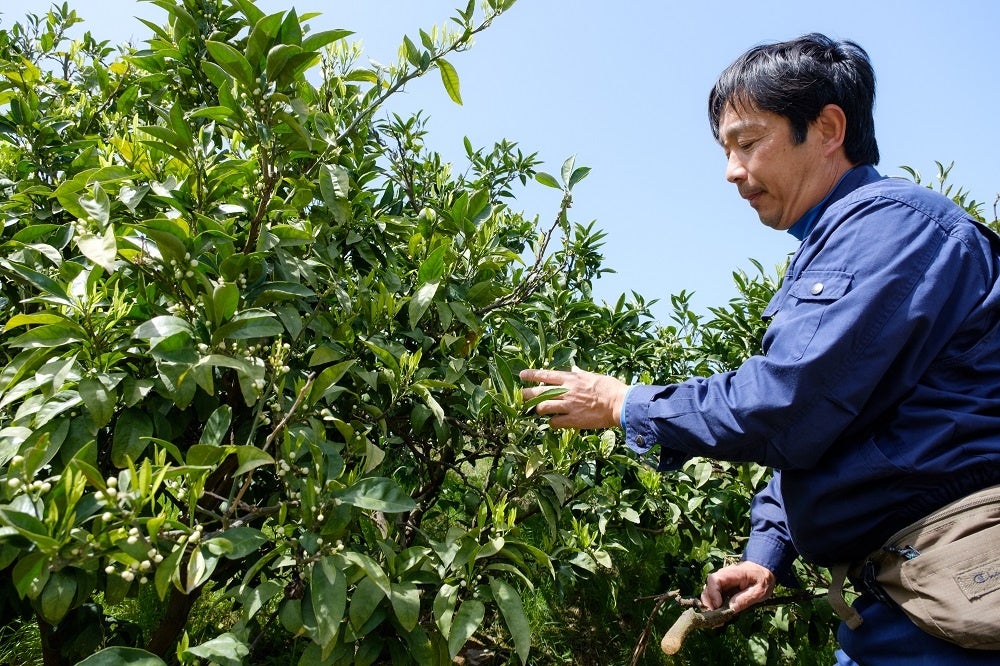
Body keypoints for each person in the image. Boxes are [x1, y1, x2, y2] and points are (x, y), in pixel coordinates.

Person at [519, 33, 1000, 665]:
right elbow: (825, 430)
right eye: (725, 149)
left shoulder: (895, 229)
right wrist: (766, 551)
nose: (732, 171)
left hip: (954, 578)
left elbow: (790, 402)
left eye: (748, 142)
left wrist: (625, 404)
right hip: (899, 593)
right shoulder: (836, 245)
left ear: (828, 128)